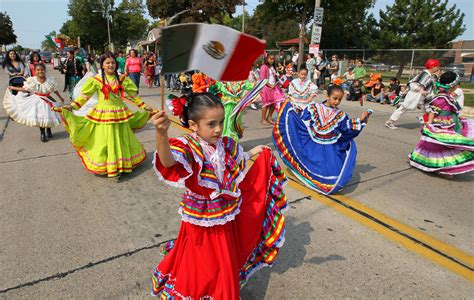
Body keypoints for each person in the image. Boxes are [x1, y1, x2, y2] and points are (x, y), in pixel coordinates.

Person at [150, 93, 288, 299]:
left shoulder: (225, 144)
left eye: (221, 122)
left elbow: (236, 158)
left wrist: (254, 152)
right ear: (193, 125)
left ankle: (221, 286)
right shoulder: (190, 146)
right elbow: (169, 162)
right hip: (200, 216)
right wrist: (161, 133)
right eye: (211, 124)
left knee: (223, 256)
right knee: (202, 257)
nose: (217, 128)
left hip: (224, 212)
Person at [57, 51, 153, 178]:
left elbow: (134, 96)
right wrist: (72, 106)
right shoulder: (95, 80)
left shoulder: (122, 78)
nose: (111, 65)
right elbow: (84, 97)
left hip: (119, 113)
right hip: (103, 114)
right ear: (102, 65)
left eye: (113, 63)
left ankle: (122, 164)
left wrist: (144, 106)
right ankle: (109, 165)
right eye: (107, 63)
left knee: (122, 139)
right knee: (104, 141)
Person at [273, 85, 371, 195]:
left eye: (339, 99)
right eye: (335, 98)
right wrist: (292, 110)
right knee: (309, 160)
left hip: (330, 148)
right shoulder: (313, 107)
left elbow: (346, 128)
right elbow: (301, 120)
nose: (337, 101)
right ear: (327, 96)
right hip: (312, 144)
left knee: (332, 174)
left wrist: (360, 120)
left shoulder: (341, 115)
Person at [408, 71, 473, 176]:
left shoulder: (447, 96)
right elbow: (433, 111)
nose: (458, 86)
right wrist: (429, 122)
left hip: (451, 122)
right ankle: (441, 166)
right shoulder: (441, 97)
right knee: (441, 144)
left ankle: (447, 165)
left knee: (450, 144)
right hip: (441, 123)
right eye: (457, 84)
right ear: (452, 85)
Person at [4, 63, 65, 142]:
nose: (40, 71)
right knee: (41, 117)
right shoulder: (32, 80)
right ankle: (42, 133)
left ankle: (48, 130)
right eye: (38, 70)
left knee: (48, 116)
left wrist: (60, 97)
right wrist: (13, 88)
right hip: (38, 101)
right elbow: (26, 89)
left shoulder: (50, 79)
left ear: (45, 70)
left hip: (48, 100)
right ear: (35, 71)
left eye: (42, 69)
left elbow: (54, 89)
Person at [385, 59, 440, 130]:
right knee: (403, 108)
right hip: (414, 95)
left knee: (428, 109)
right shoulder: (424, 74)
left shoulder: (430, 75)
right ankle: (390, 122)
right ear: (433, 66)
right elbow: (412, 84)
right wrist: (421, 90)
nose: (438, 68)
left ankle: (427, 123)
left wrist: (437, 76)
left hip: (424, 97)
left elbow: (433, 85)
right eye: (437, 66)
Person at [259, 54, 285, 125]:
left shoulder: (273, 67)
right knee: (266, 104)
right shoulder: (263, 67)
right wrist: (270, 85)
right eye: (271, 59)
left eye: (273, 59)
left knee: (274, 103)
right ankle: (263, 119)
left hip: (274, 87)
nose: (272, 60)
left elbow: (275, 77)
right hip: (266, 88)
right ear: (267, 59)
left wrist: (279, 81)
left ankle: (269, 117)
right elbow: (262, 79)